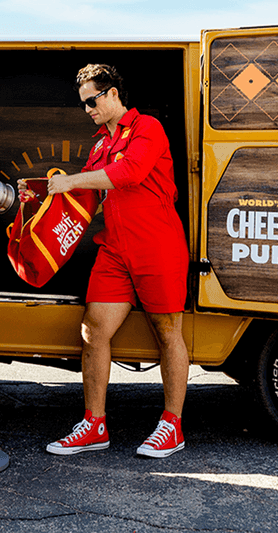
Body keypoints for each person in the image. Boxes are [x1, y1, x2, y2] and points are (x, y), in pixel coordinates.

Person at [19, 64, 190, 458]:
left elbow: (128, 173)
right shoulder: (98, 146)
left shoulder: (147, 127)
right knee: (93, 332)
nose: (87, 111)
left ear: (112, 93)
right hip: (115, 250)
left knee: (168, 333)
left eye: (92, 102)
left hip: (157, 247)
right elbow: (86, 196)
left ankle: (172, 426)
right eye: (84, 105)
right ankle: (94, 424)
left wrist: (71, 181)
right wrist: (39, 192)